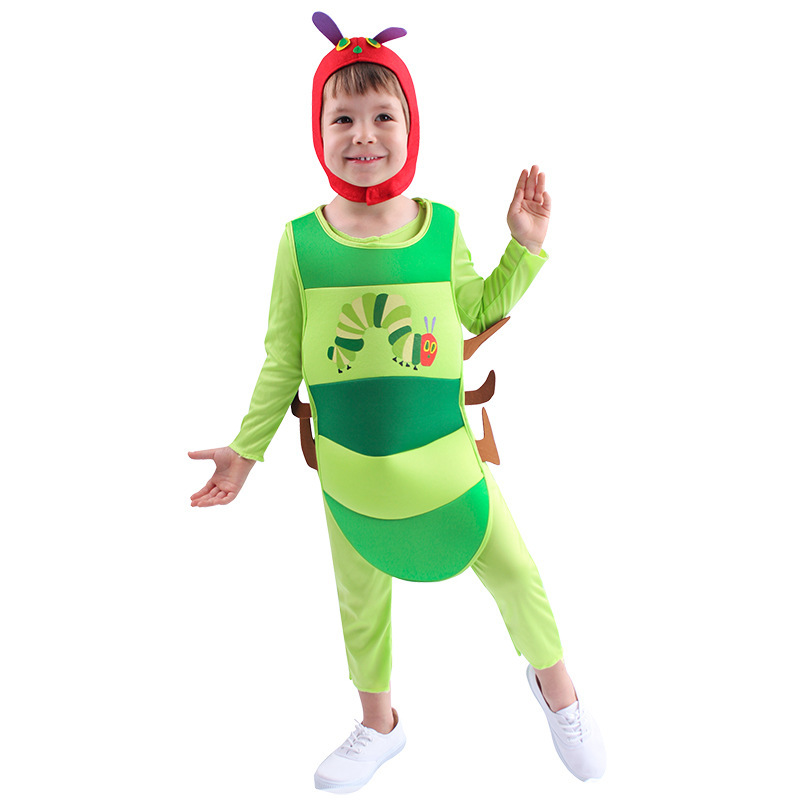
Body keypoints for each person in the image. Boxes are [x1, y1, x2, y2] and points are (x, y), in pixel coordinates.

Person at [188, 12, 606, 794]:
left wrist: (524, 246)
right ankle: (379, 724)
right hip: (349, 468)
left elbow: (478, 310)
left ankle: (561, 694)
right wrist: (245, 455)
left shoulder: (440, 228)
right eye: (342, 117)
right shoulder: (300, 242)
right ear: (318, 130)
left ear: (411, 127)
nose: (363, 134)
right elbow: (283, 360)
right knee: (360, 602)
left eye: (383, 115)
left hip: (447, 461)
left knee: (516, 569)